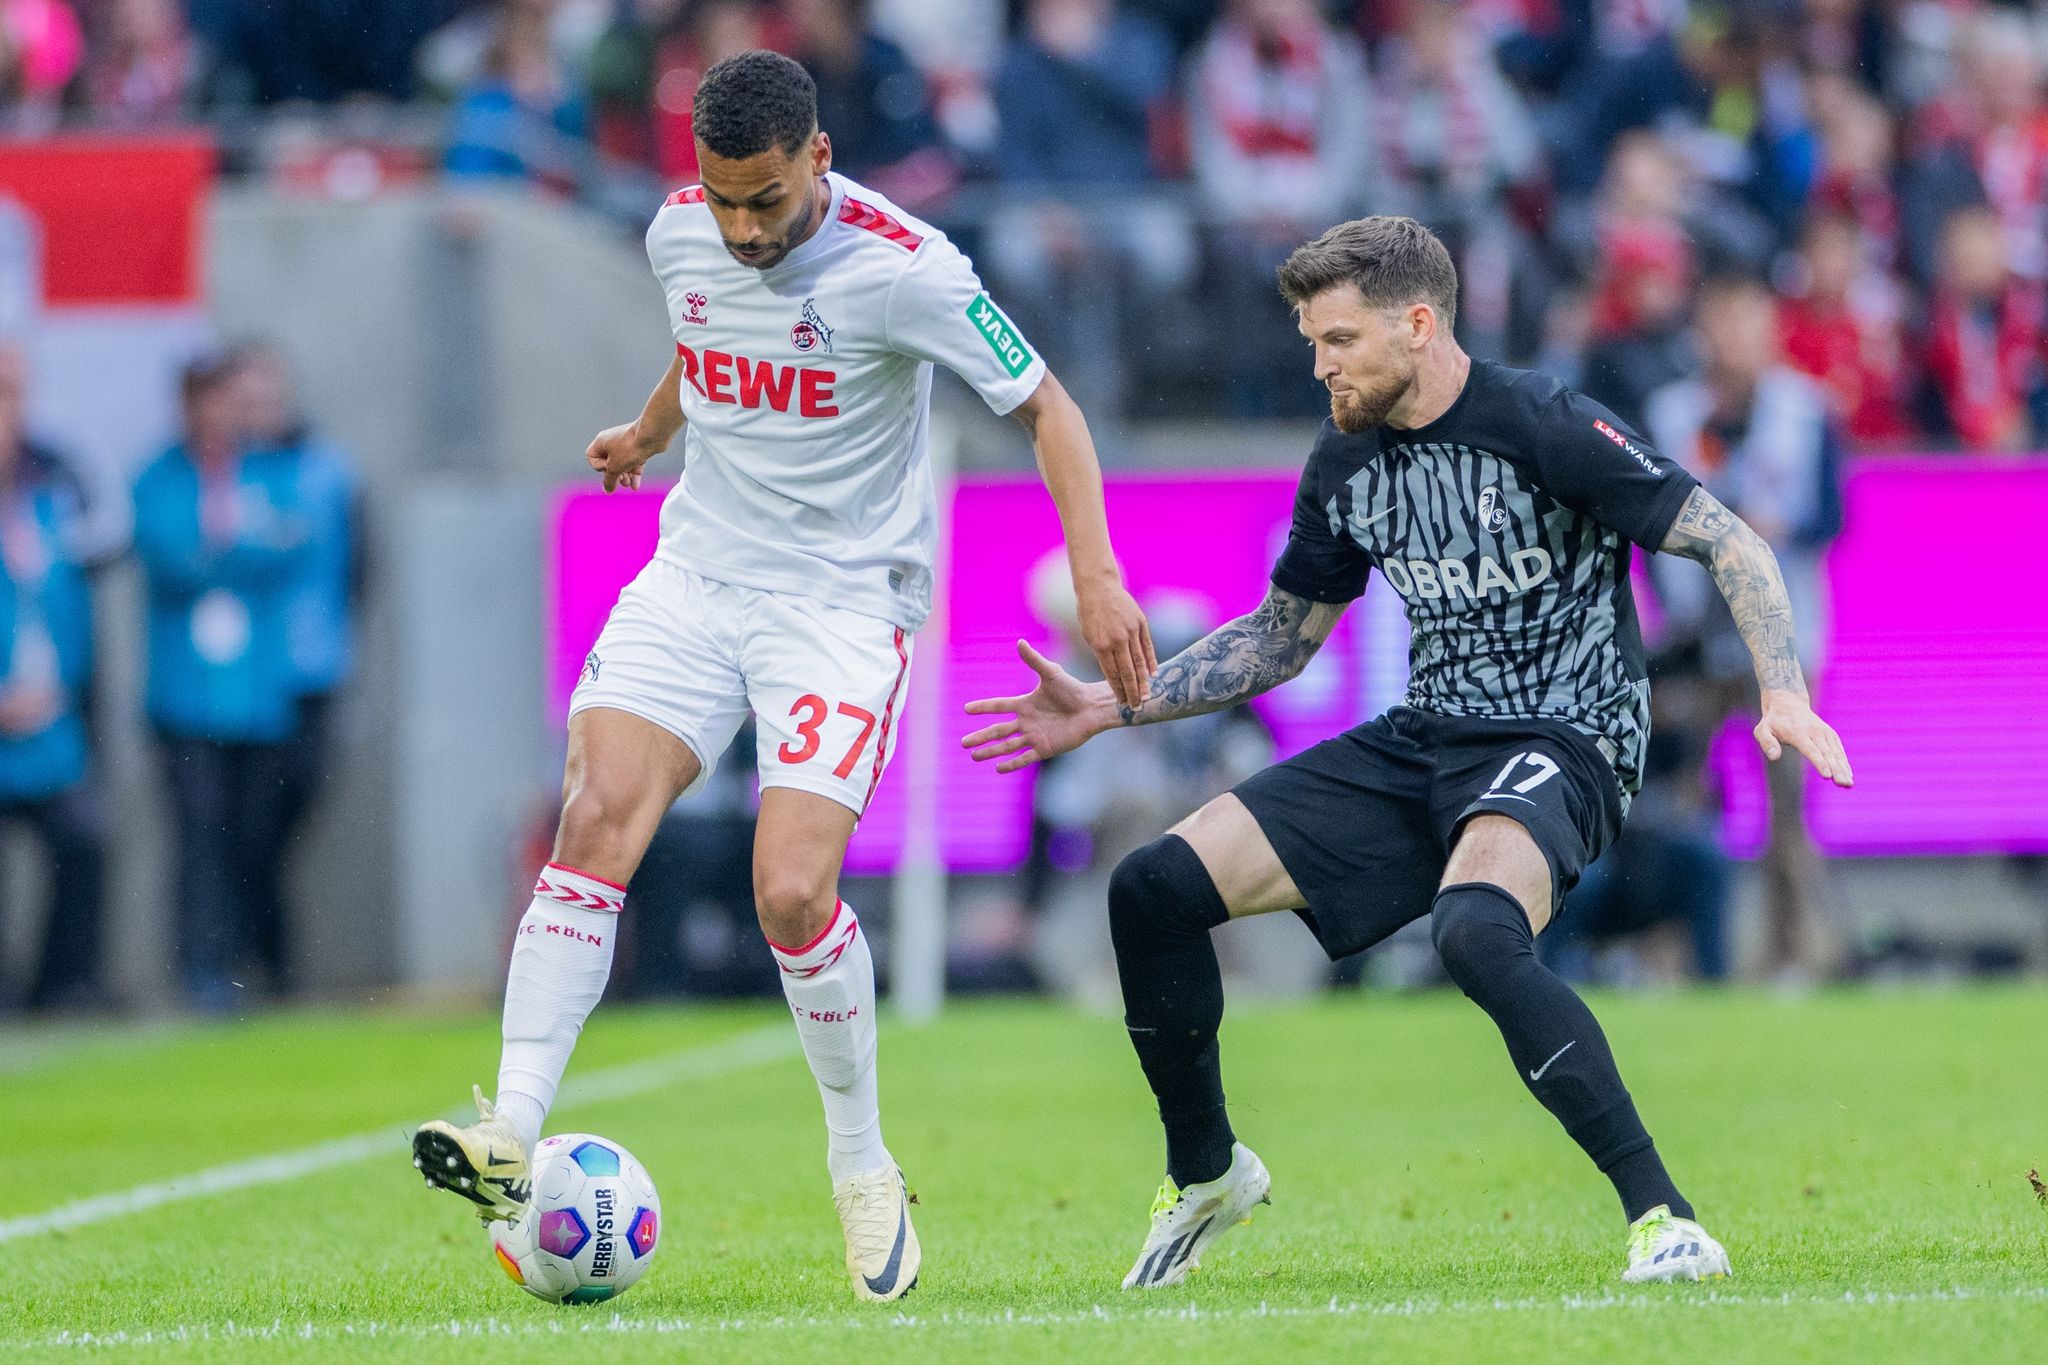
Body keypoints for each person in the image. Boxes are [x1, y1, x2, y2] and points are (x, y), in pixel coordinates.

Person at [964, 216, 1853, 1288]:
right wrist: (1109, 708)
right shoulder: (1346, 457)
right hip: (1427, 737)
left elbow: (1727, 537)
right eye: (1308, 341)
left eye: (1336, 340)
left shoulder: (1544, 421)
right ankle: (1206, 1173)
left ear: (1417, 325)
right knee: (1151, 887)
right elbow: (1279, 639)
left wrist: (1780, 689)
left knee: (1475, 929)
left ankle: (1662, 1218)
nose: (1317, 364)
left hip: (1564, 736)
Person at [412, 50, 1154, 1303]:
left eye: (764, 199)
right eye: (720, 199)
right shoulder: (681, 234)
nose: (742, 229)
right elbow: (705, 343)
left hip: (840, 604)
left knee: (792, 895)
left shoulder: (907, 269)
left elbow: (1048, 410)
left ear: (818, 159)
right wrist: (648, 434)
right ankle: (513, 1127)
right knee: (593, 817)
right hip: (698, 575)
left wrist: (1096, 580)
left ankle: (861, 1168)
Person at [1646, 273, 1845, 979]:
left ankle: (1789, 954)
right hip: (1694, 640)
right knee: (1675, 804)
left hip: (1782, 647)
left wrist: (1771, 529)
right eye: (1723, 323)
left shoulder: (1807, 409)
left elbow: (1832, 517)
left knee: (1787, 811)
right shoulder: (1672, 413)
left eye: (1748, 323)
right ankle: (1669, 955)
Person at [133, 354, 313, 1011]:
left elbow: (292, 542)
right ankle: (203, 966)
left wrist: (229, 554)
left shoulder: (265, 471)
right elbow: (171, 556)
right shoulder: (159, 477)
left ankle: (255, 959)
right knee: (199, 834)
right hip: (187, 694)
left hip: (256, 694)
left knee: (255, 834)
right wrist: (240, 553)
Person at [0, 346, 107, 1013]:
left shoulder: (50, 488)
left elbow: (68, 602)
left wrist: (64, 687)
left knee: (84, 838)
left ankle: (59, 986)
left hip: (47, 719)